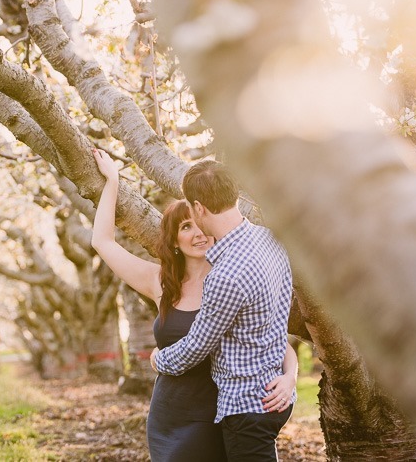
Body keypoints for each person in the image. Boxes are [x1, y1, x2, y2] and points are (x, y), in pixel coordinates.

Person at [91, 149, 296, 462]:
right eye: (184, 227)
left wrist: (290, 376)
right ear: (173, 240)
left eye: (196, 223)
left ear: (203, 211)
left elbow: (271, 335)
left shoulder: (231, 273)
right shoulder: (159, 282)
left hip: (224, 411)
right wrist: (113, 182)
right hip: (174, 415)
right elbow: (103, 242)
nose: (198, 233)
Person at [150, 159, 295, 462]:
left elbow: (195, 348)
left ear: (199, 208)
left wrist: (159, 359)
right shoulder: (270, 240)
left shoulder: (225, 275)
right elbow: (277, 324)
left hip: (247, 406)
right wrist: (290, 374)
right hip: (274, 390)